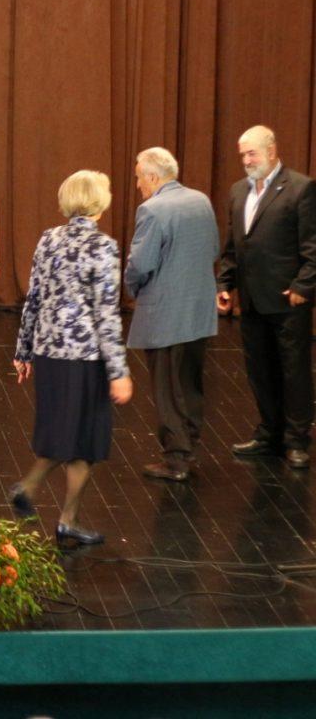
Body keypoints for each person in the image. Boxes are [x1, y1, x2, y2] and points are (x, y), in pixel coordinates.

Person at [9, 170, 132, 546]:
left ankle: (66, 519)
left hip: (48, 352)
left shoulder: (49, 238)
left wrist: (23, 351)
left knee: (68, 434)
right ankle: (32, 489)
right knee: (81, 438)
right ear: (99, 202)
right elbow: (106, 314)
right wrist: (119, 371)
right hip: (84, 358)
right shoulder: (103, 246)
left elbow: (33, 298)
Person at [216, 125, 316, 469]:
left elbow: (313, 246)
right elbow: (234, 245)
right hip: (251, 300)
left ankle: (296, 440)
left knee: (293, 371)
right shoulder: (237, 191)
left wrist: (303, 287)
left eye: (252, 153)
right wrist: (225, 284)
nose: (246, 160)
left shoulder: (300, 188)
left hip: (288, 301)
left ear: (271, 152)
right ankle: (269, 434)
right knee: (260, 370)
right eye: (242, 155)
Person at [125, 147, 219, 481]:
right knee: (189, 384)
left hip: (165, 314)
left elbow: (140, 264)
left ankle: (177, 459)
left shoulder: (153, 209)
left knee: (168, 389)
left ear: (152, 177)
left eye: (139, 177)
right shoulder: (201, 201)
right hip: (199, 311)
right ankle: (188, 447)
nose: (138, 184)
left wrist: (132, 289)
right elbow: (213, 249)